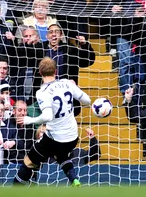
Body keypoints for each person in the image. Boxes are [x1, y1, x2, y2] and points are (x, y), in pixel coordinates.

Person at [13, 57, 92, 186]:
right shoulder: (67, 83)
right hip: (73, 138)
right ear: (56, 71)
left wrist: (29, 120)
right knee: (59, 154)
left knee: (29, 161)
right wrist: (74, 87)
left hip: (56, 138)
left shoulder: (42, 92)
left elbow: (47, 116)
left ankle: (15, 189)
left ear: (39, 73)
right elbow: (88, 101)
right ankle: (74, 179)